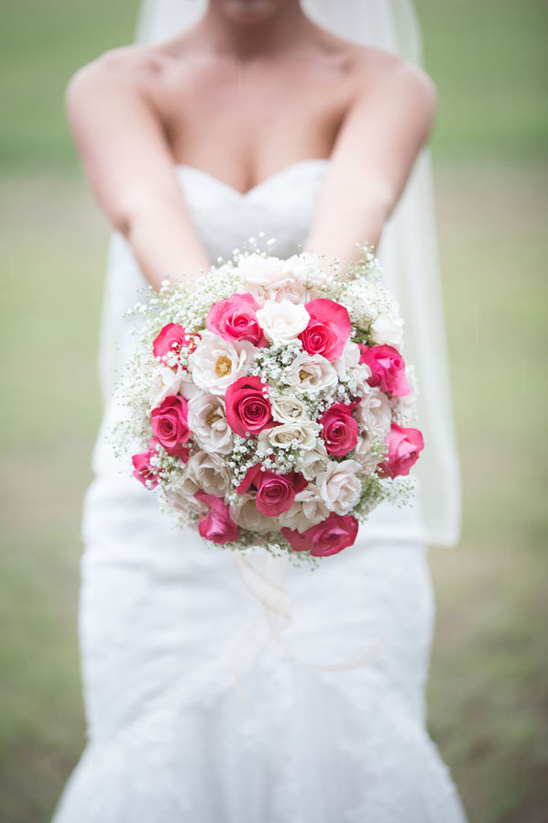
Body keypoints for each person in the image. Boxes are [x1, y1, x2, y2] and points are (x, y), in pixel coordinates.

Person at [51, 1, 468, 820]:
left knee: (352, 718)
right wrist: (230, 366)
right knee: (154, 731)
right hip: (165, 485)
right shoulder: (114, 85)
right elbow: (147, 215)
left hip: (340, 477)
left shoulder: (388, 85)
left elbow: (362, 210)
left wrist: (297, 375)